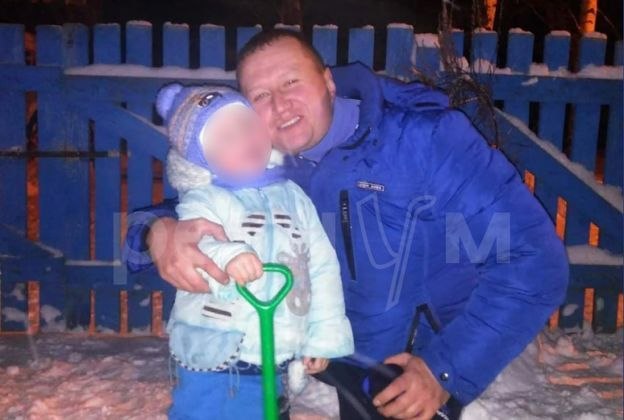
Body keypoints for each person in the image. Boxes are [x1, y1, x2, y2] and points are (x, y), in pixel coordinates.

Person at [124, 29, 569, 420]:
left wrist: (443, 370)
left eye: (292, 82)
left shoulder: (424, 141)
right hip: (334, 357)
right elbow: (188, 213)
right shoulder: (267, 169)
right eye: (260, 96)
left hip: (413, 365)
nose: (280, 105)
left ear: (328, 82)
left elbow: (534, 260)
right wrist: (156, 233)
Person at [155, 83, 353, 419]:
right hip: (218, 353)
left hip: (275, 352)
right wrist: (229, 255)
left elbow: (321, 267)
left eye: (247, 124)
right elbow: (195, 244)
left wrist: (322, 337)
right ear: (201, 159)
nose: (244, 138)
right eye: (226, 138)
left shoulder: (293, 196)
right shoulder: (205, 199)